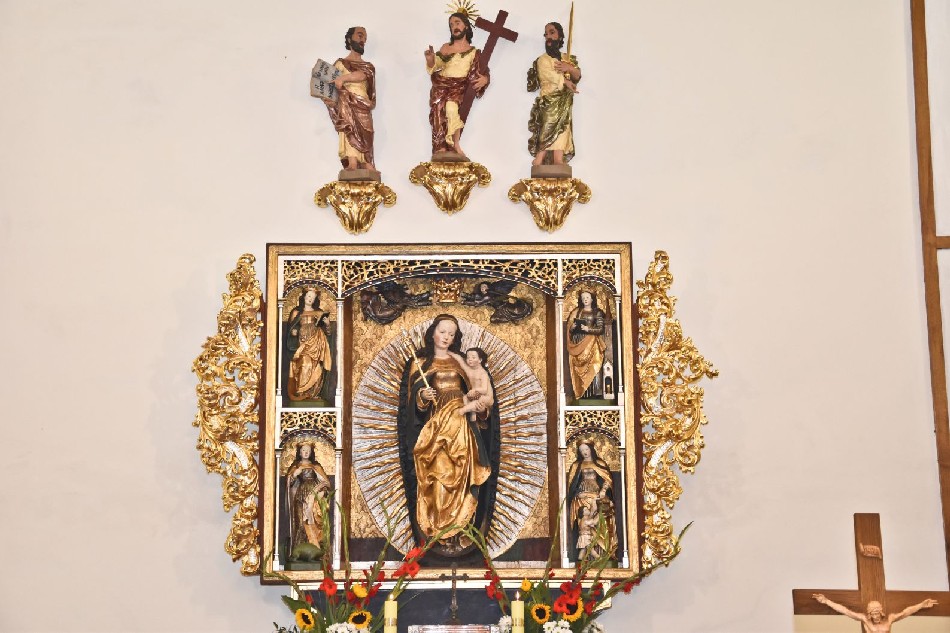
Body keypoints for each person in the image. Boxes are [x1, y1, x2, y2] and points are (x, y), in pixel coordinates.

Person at [397, 315, 500, 556]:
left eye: (451, 334)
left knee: (463, 472)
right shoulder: (420, 363)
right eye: (442, 331)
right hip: (436, 427)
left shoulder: (462, 362)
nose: (446, 337)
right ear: (433, 333)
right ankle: (439, 532)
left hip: (462, 425)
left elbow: (480, 392)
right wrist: (422, 397)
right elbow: (410, 408)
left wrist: (481, 408)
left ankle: (459, 531)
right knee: (440, 475)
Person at [424, 13, 490, 158]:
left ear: (466, 26)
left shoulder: (473, 52)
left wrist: (485, 79)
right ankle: (440, 147)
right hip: (441, 85)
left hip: (458, 87)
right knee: (438, 113)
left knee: (451, 109)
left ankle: (455, 145)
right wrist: (430, 59)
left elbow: (482, 70)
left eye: (457, 22)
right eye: (451, 24)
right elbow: (436, 64)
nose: (454, 26)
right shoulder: (446, 48)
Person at [323, 26, 377, 171]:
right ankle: (352, 161)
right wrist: (330, 100)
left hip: (363, 102)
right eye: (359, 35)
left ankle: (367, 161)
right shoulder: (340, 64)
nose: (363, 40)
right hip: (346, 103)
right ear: (349, 39)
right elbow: (330, 87)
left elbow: (362, 75)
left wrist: (344, 78)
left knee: (367, 131)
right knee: (349, 127)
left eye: (364, 37)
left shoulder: (368, 66)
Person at [528, 22, 581, 167]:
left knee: (563, 129)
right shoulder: (542, 59)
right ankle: (538, 160)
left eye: (552, 33)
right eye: (546, 34)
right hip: (548, 99)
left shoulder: (566, 58)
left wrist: (569, 67)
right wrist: (565, 81)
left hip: (564, 100)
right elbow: (547, 75)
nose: (548, 37)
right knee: (547, 128)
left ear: (560, 36)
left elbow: (577, 75)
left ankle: (558, 159)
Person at [566, 442, 618, 561]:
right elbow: (572, 485)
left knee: (604, 511)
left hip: (596, 494)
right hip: (582, 497)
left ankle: (602, 552)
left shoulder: (600, 463)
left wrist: (603, 490)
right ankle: (587, 555)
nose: (584, 452)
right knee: (584, 523)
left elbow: (607, 479)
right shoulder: (577, 465)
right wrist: (578, 494)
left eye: (586, 449)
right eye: (581, 450)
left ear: (591, 449)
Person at [287, 288, 333, 402]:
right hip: (302, 343)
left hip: (317, 342)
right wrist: (293, 332)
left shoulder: (319, 312)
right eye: (308, 296)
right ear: (303, 297)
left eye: (312, 297)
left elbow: (328, 333)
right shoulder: (296, 312)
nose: (310, 299)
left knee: (316, 366)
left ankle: (313, 393)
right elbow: (290, 328)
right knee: (304, 363)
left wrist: (327, 324)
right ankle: (301, 391)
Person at [287, 443, 332, 554]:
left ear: (311, 452)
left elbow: (326, 483)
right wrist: (294, 475)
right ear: (299, 452)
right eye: (303, 450)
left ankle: (315, 549)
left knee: (313, 522)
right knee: (300, 523)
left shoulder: (316, 467)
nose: (306, 452)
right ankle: (300, 552)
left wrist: (321, 491)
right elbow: (289, 482)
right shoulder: (296, 466)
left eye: (308, 450)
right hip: (301, 495)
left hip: (314, 495)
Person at [812, 594, 938, 632]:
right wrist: (827, 601)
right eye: (873, 614)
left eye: (878, 613)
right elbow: (846, 611)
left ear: (881, 613)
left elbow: (906, 612)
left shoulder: (889, 619)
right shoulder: (865, 619)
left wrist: (921, 605)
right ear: (870, 614)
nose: (876, 616)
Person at [566, 290, 607, 400]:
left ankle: (596, 393)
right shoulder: (576, 312)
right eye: (583, 297)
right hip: (578, 342)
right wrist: (572, 327)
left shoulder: (597, 312)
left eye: (587, 297)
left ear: (592, 299)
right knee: (578, 366)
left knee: (594, 365)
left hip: (592, 343)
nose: (585, 299)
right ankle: (582, 393)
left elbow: (600, 329)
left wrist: (588, 329)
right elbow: (570, 328)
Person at [463, 347, 494, 424]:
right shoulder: (469, 371)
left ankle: (466, 413)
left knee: (477, 402)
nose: (470, 359)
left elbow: (484, 390)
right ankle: (471, 414)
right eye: (468, 357)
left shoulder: (483, 373)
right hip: (474, 395)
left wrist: (474, 390)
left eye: (473, 357)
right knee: (465, 398)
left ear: (480, 360)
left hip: (485, 397)